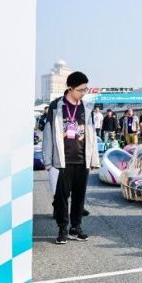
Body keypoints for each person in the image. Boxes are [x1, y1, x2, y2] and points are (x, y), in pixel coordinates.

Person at [43, 71, 100, 244]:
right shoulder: (56, 106)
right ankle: (63, 228)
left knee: (79, 196)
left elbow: (91, 134)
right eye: (81, 90)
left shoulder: (87, 107)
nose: (83, 93)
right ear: (70, 88)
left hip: (82, 159)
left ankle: (76, 227)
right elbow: (48, 133)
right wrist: (48, 161)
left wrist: (94, 159)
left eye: (85, 89)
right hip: (63, 160)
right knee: (61, 197)